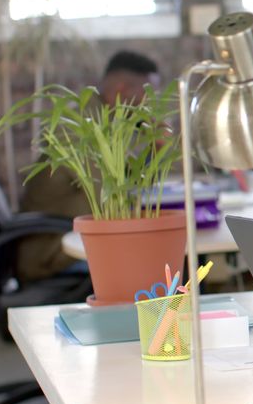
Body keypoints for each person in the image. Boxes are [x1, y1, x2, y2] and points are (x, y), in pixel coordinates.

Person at [16, 50, 161, 282]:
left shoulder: (106, 127)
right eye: (147, 94)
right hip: (52, 253)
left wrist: (157, 147)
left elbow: (130, 187)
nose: (151, 104)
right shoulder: (81, 129)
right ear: (122, 90)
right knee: (159, 262)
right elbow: (113, 202)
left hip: (76, 243)